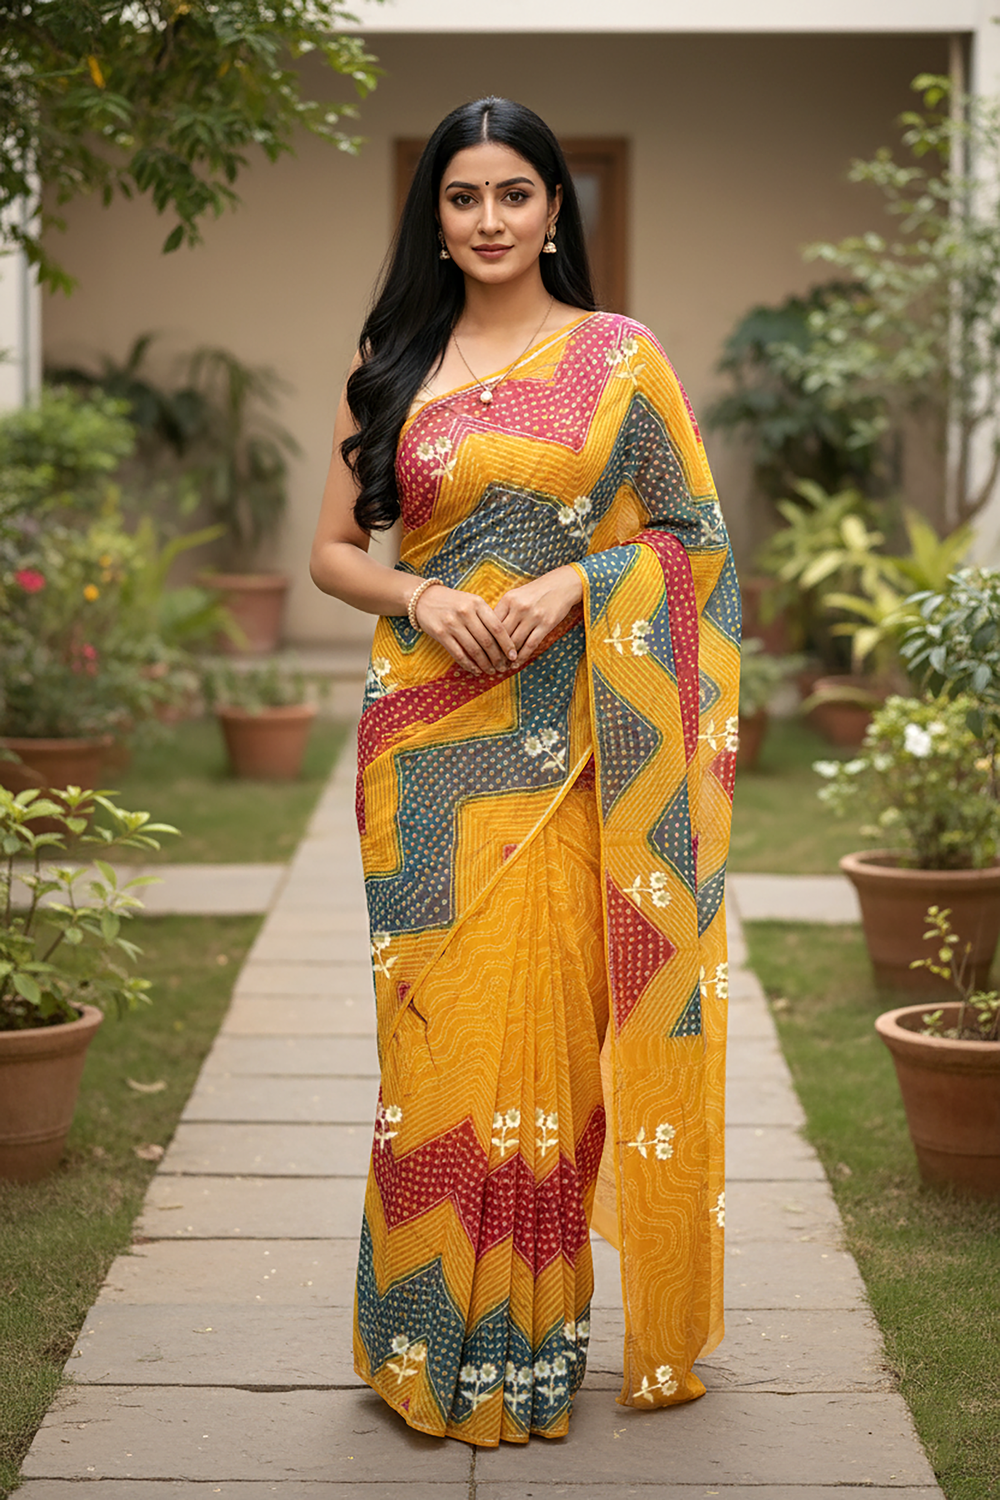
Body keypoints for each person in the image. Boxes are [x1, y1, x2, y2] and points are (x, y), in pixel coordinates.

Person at [310, 96, 740, 1448]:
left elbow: (696, 540)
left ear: (556, 209)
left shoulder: (619, 358)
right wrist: (423, 598)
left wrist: (579, 583)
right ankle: (419, 1338)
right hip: (424, 758)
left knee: (547, 1045)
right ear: (434, 217)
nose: (488, 219)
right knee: (433, 1046)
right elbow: (334, 553)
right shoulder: (394, 360)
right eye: (463, 197)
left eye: (513, 193)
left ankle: (523, 1353)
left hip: (569, 753)